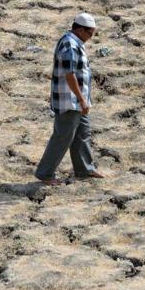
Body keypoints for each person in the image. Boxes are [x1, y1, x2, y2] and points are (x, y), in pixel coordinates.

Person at [34, 13, 106, 186]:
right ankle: (45, 173)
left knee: (83, 133)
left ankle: (84, 169)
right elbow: (70, 74)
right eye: (90, 34)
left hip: (78, 100)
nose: (91, 38)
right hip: (70, 101)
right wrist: (81, 99)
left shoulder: (75, 42)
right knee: (63, 136)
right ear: (80, 29)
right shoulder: (69, 45)